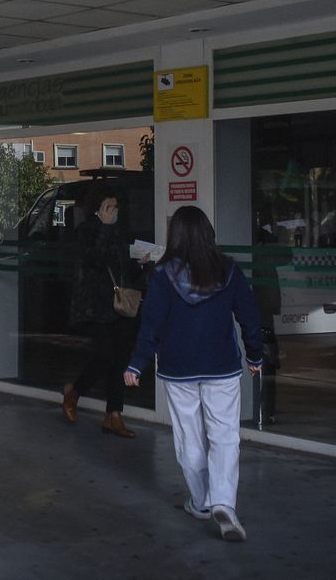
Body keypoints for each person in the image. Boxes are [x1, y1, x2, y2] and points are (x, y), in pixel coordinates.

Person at [124, 206, 264, 542]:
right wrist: (256, 355)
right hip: (222, 367)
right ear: (208, 233)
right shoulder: (228, 270)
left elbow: (152, 323)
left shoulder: (162, 275)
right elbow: (249, 314)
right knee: (224, 435)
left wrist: (136, 363)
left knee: (189, 435)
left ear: (176, 237)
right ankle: (224, 502)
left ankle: (201, 502)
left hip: (178, 368)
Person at [61, 188, 141, 438]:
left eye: (116, 207)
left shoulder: (118, 232)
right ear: (97, 209)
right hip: (94, 306)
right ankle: (74, 392)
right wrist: (105, 228)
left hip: (118, 306)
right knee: (105, 355)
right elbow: (94, 259)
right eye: (108, 207)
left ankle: (114, 415)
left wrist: (139, 262)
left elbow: (120, 266)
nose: (113, 212)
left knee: (120, 358)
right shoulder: (86, 231)